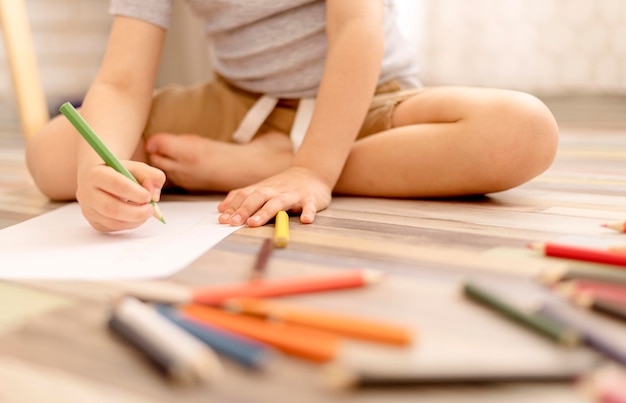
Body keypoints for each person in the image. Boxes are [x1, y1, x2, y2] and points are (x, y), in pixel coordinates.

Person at [25, 0, 559, 233]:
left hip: (359, 100)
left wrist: (313, 168)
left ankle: (274, 165)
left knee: (522, 133)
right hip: (240, 102)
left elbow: (356, 31)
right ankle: (271, 161)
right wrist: (106, 174)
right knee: (53, 158)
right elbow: (122, 79)